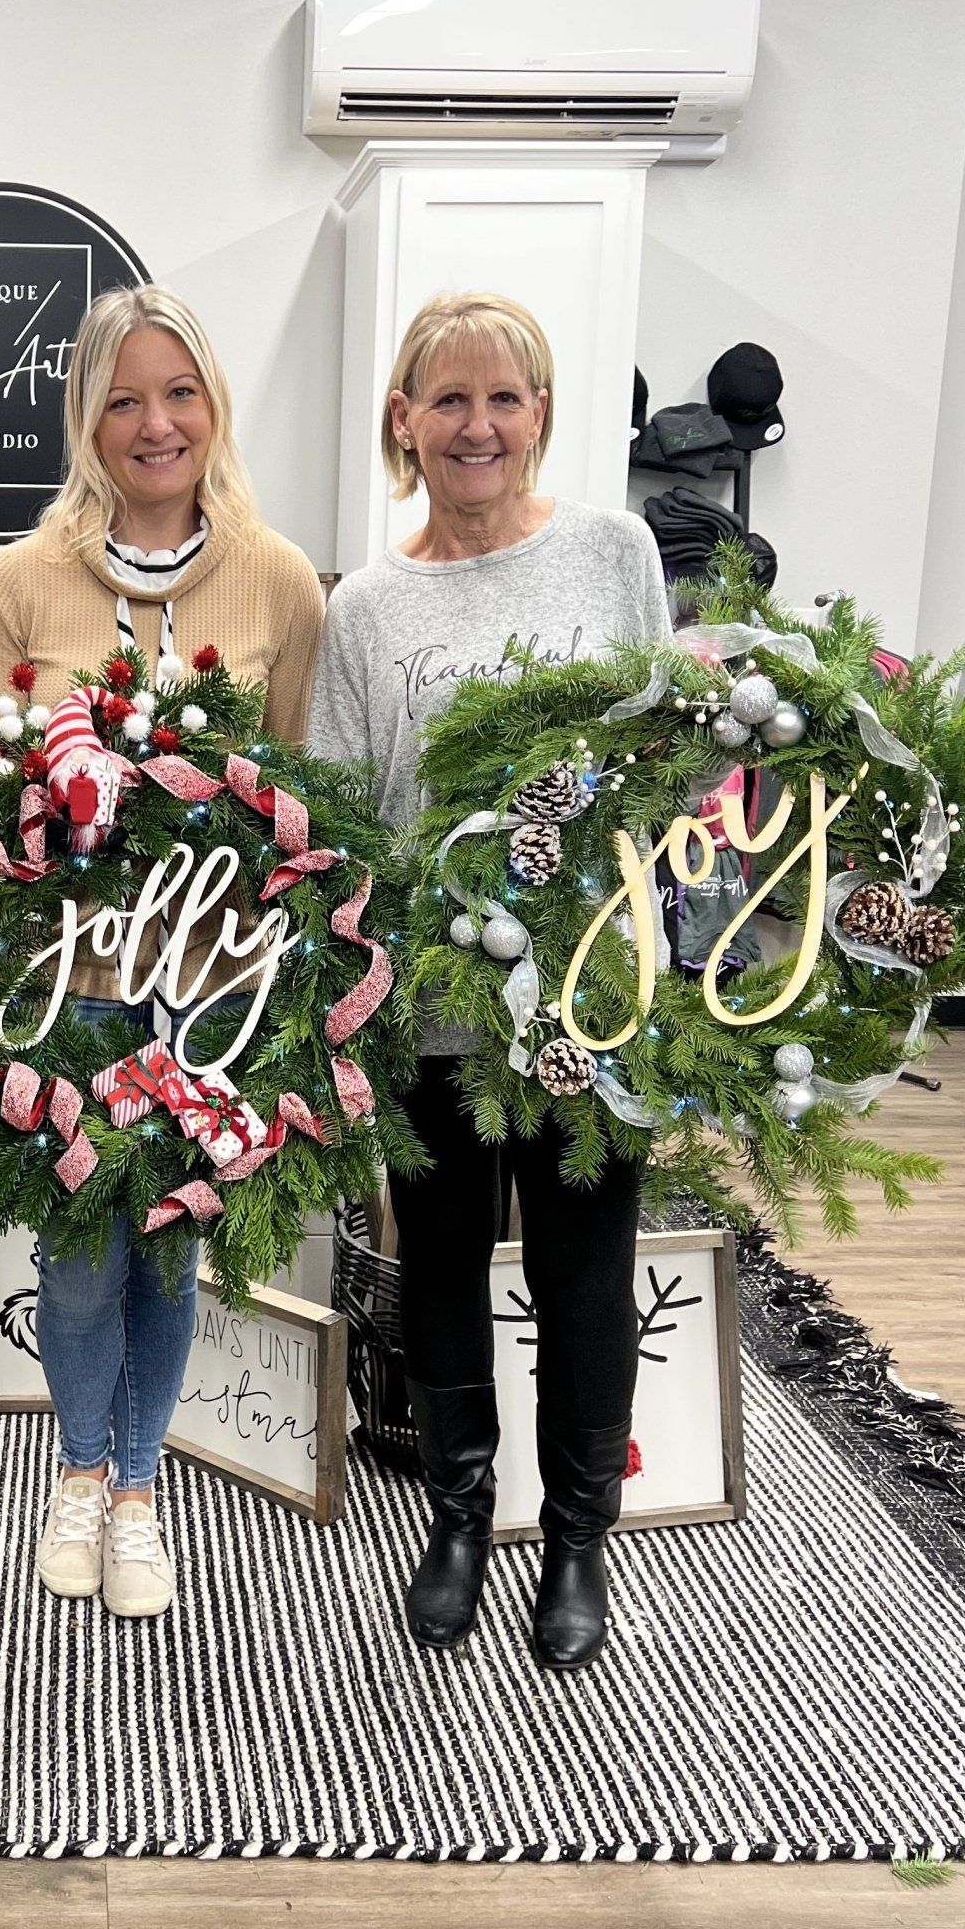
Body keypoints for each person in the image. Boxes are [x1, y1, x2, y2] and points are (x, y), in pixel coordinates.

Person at [309, 292, 671, 1671]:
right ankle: (459, 1517)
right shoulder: (367, 607)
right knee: (443, 1265)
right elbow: (342, 811)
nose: (477, 427)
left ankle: (577, 1542)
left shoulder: (613, 552)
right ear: (403, 420)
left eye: (503, 398)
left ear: (542, 414)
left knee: (586, 1276)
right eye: (449, 400)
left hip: (590, 1001)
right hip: (434, 1007)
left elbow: (669, 757)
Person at [0, 284, 325, 1620]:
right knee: (76, 1259)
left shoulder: (280, 578)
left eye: (179, 393)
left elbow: (300, 799)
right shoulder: (17, 584)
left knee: (170, 1249)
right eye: (124, 400)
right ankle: (73, 1466)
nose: (155, 423)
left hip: (215, 990)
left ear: (213, 406)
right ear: (87, 419)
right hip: (69, 989)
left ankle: (137, 1491)